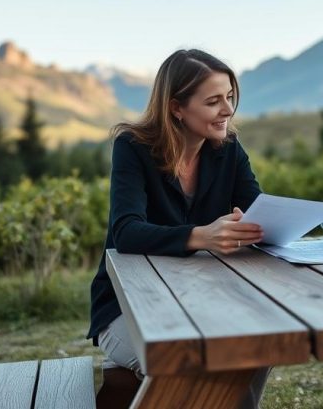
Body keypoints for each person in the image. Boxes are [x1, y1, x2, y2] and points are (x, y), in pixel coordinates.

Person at [86, 49, 268, 409]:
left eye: (230, 97)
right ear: (176, 108)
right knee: (205, 367)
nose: (228, 110)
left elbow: (257, 212)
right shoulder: (133, 147)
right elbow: (126, 231)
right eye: (214, 101)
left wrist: (262, 226)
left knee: (260, 341)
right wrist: (202, 235)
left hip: (202, 300)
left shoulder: (229, 148)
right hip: (127, 310)